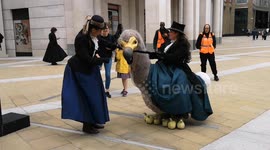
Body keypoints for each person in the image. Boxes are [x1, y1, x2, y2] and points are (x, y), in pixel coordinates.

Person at [148, 21, 213, 121]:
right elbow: (162, 54)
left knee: (179, 83)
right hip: (167, 66)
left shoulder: (182, 44)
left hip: (178, 67)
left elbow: (175, 58)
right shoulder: (170, 43)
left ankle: (180, 110)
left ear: (176, 33)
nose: (169, 33)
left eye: (171, 31)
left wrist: (160, 55)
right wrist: (147, 54)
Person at [61, 15, 110, 134]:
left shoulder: (91, 35)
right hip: (79, 71)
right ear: (93, 29)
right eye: (99, 31)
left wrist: (116, 46)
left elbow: (101, 42)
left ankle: (94, 121)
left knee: (96, 96)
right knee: (86, 97)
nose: (100, 33)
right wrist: (103, 60)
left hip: (89, 70)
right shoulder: (81, 38)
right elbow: (86, 59)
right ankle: (87, 126)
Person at [97, 23, 118, 98]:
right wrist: (96, 54)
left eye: (107, 30)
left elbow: (114, 46)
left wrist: (111, 48)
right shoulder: (98, 37)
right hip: (99, 58)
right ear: (101, 31)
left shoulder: (111, 37)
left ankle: (107, 90)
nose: (105, 32)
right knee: (96, 74)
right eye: (104, 30)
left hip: (108, 58)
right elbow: (95, 47)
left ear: (108, 30)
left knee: (108, 74)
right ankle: (98, 89)